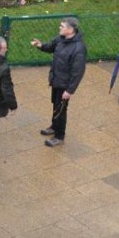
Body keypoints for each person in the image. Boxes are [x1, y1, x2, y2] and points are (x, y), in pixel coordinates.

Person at [31, 17, 86, 147]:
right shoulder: (61, 39)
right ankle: (54, 126)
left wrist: (70, 90)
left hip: (64, 84)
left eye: (62, 26)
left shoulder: (79, 48)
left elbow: (78, 72)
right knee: (55, 105)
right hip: (56, 80)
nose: (59, 28)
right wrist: (40, 45)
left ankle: (59, 136)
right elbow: (50, 46)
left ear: (70, 29)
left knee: (61, 109)